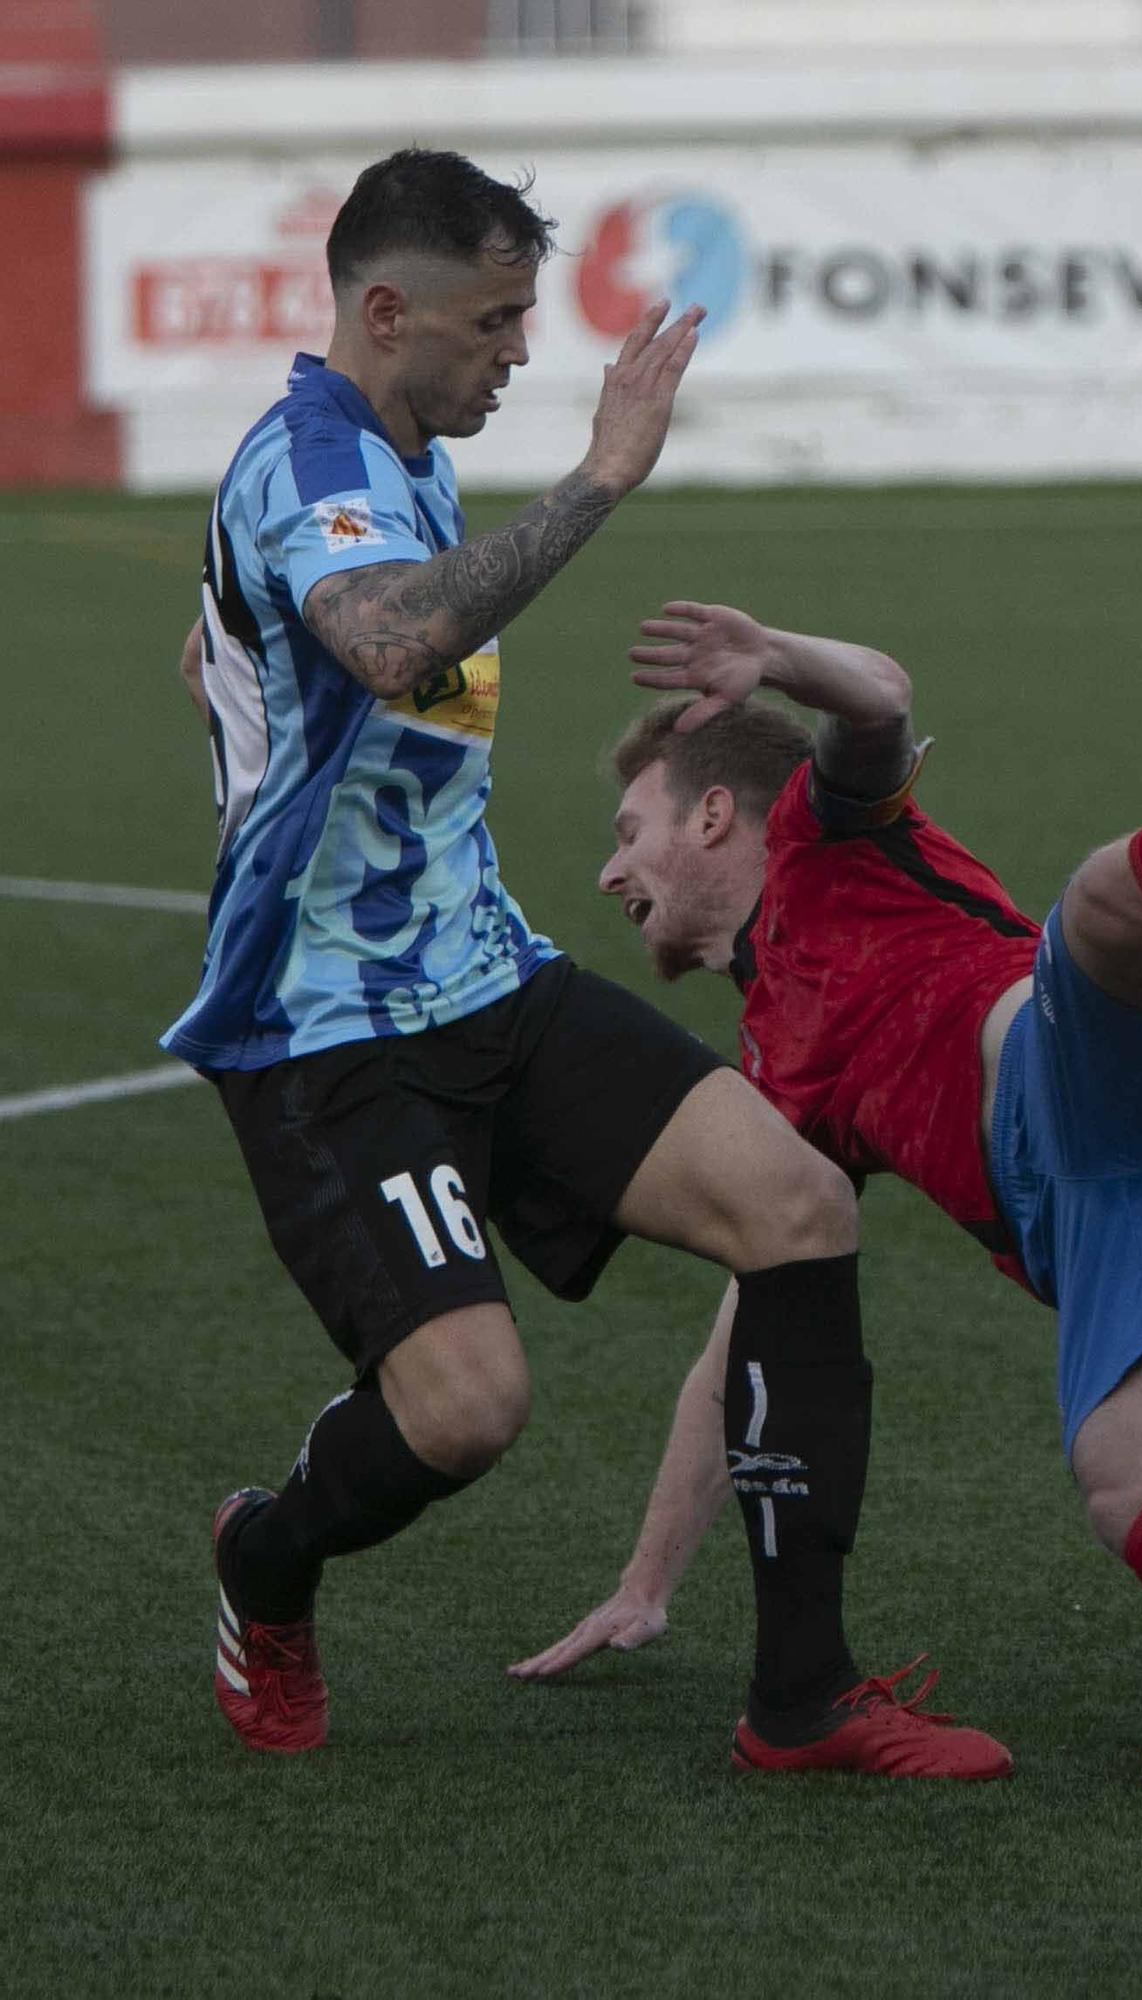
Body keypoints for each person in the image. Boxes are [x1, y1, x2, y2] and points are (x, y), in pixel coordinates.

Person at [168, 149, 1010, 1782]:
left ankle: (803, 1700)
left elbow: (279, 647)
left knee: (796, 1207)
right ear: (385, 308)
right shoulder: (309, 459)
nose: (519, 354)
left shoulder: (395, 459)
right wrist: (601, 476)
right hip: (327, 1034)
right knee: (468, 1408)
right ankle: (266, 1560)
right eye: (491, 324)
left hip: (492, 982)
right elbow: (395, 638)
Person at [509, 598, 1142, 1787]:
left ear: (712, 813)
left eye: (627, 830)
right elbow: (744, 1351)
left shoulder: (822, 834)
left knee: (1102, 915)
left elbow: (879, 700)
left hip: (1070, 1078)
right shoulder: (766, 1079)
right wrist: (645, 1582)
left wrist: (780, 661)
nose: (608, 869)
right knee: (1134, 1477)